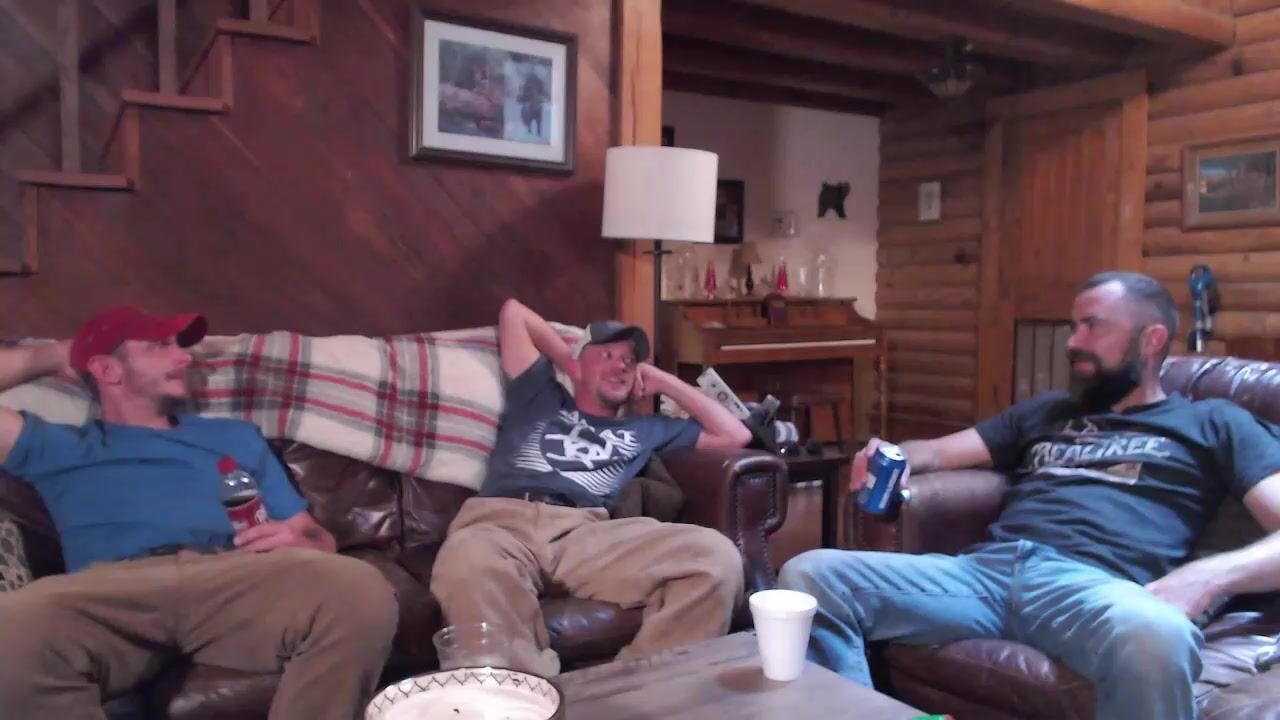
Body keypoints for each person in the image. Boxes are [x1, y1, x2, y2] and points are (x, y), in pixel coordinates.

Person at [779, 271, 1280, 720]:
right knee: (811, 575)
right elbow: (934, 452)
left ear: (1150, 341)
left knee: (1157, 635)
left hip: (1096, 589)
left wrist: (1210, 576)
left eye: (1092, 327)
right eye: (1073, 327)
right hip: (985, 574)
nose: (1073, 342)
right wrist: (894, 453)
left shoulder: (1213, 422)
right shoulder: (1047, 412)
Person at [0, 306, 399, 720]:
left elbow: (316, 536)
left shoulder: (234, 437)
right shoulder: (56, 445)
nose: (184, 356)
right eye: (160, 346)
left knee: (359, 589)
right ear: (107, 369)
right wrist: (54, 355)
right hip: (110, 591)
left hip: (230, 579)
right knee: (10, 627)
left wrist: (303, 542)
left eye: (180, 346)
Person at [430, 299, 753, 676]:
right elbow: (513, 313)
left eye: (629, 360)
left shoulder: (645, 428)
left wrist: (664, 381)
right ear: (579, 365)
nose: (621, 365)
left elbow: (736, 434)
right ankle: (527, 695)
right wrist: (565, 361)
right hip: (501, 521)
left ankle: (636, 692)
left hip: (584, 532)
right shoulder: (540, 396)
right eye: (607, 355)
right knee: (466, 563)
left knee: (716, 557)